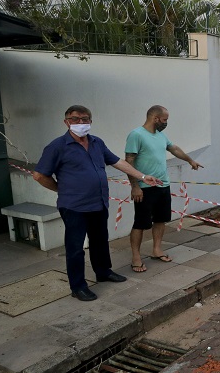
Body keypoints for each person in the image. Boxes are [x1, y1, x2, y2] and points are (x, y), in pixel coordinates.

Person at [33, 105, 162, 302]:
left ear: (90, 122)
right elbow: (39, 175)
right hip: (74, 206)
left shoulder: (96, 142)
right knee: (75, 247)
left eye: (85, 119)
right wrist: (61, 189)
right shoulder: (57, 146)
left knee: (100, 240)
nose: (80, 123)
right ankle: (78, 286)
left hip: (99, 202)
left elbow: (118, 162)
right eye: (75, 119)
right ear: (66, 122)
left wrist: (143, 176)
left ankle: (103, 272)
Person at [125, 105, 203, 272]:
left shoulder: (160, 135)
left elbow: (173, 148)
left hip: (163, 185)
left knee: (160, 219)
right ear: (155, 118)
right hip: (145, 187)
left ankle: (156, 249)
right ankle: (136, 257)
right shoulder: (136, 135)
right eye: (164, 120)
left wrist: (190, 160)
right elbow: (128, 162)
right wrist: (135, 186)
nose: (166, 123)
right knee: (140, 223)